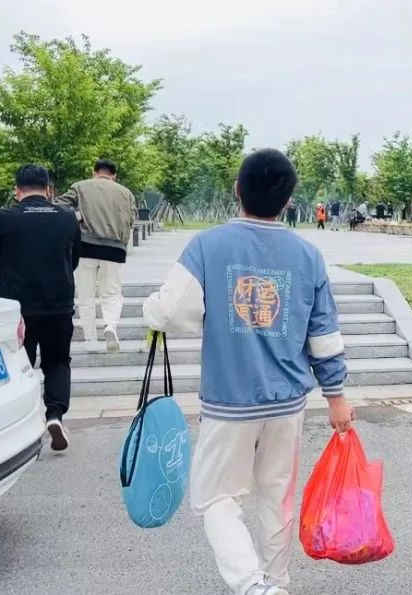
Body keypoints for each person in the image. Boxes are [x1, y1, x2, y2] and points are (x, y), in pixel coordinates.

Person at [143, 149, 354, 595]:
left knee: (215, 496)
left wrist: (154, 311)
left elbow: (170, 311)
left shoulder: (207, 246)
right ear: (289, 200)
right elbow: (324, 334)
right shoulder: (308, 255)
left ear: (237, 189)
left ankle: (252, 584)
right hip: (287, 402)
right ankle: (276, 581)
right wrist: (336, 396)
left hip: (229, 402)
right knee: (277, 496)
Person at [0, 165, 81, 452]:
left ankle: (25, 422)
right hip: (58, 305)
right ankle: (54, 415)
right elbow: (74, 260)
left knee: (21, 364)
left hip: (16, 309)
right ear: (49, 190)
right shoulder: (67, 217)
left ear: (17, 190)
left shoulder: (3, 218)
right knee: (58, 362)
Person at [56, 159, 137, 353]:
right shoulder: (126, 193)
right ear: (114, 175)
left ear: (94, 172)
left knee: (86, 295)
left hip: (85, 246)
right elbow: (132, 219)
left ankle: (90, 339)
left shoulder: (80, 187)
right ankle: (111, 326)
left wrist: (78, 216)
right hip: (115, 248)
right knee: (112, 292)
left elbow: (59, 206)